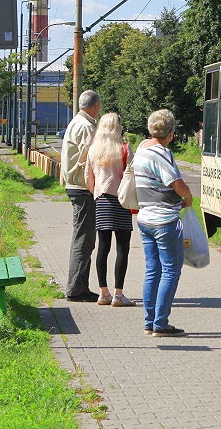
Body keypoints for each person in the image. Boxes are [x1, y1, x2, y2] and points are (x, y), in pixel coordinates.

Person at [134, 109, 194, 337]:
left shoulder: (141, 149)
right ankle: (161, 323)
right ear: (170, 132)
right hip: (164, 220)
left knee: (152, 270)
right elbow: (176, 183)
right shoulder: (161, 153)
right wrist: (188, 198)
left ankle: (150, 321)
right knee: (171, 270)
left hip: (145, 218)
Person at [85, 112, 135, 307]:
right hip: (122, 202)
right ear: (117, 128)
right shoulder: (124, 149)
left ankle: (102, 293)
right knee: (122, 248)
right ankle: (118, 294)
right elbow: (132, 174)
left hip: (102, 202)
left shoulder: (93, 151)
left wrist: (98, 192)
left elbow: (88, 180)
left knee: (103, 248)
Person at [61, 89, 101, 302]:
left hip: (76, 186)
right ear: (96, 106)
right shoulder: (86, 127)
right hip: (83, 188)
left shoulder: (77, 122)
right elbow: (91, 158)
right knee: (84, 239)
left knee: (84, 239)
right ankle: (75, 288)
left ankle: (81, 287)